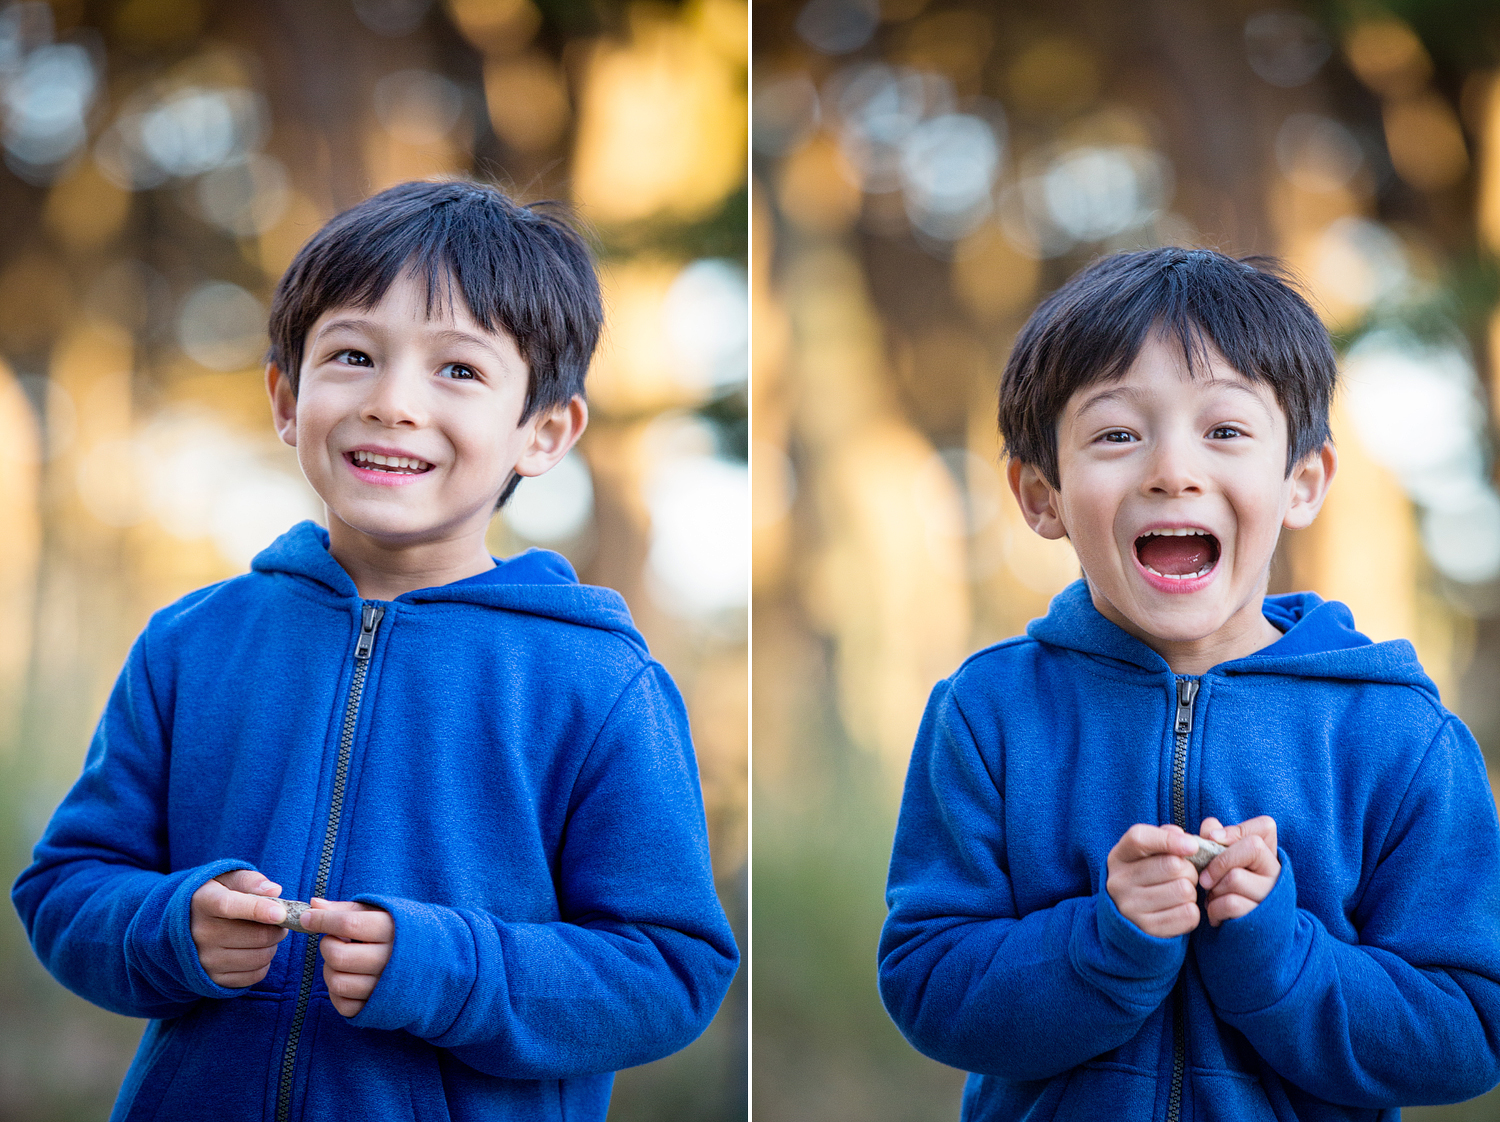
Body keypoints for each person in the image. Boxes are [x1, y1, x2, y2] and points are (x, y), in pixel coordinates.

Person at [13, 180, 738, 1122]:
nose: (393, 404)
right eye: (353, 355)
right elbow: (66, 886)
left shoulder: (596, 683)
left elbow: (671, 970)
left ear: (544, 431)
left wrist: (449, 969)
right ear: (287, 395)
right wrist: (170, 926)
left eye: (459, 371)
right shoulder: (191, 645)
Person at [877, 247, 1500, 1122]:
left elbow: (1470, 1029)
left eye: (1226, 431)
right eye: (1117, 434)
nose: (1173, 470)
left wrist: (1280, 954)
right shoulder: (988, 715)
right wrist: (1105, 942)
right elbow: (927, 983)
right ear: (1041, 495)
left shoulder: (1395, 733)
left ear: (1302, 483)